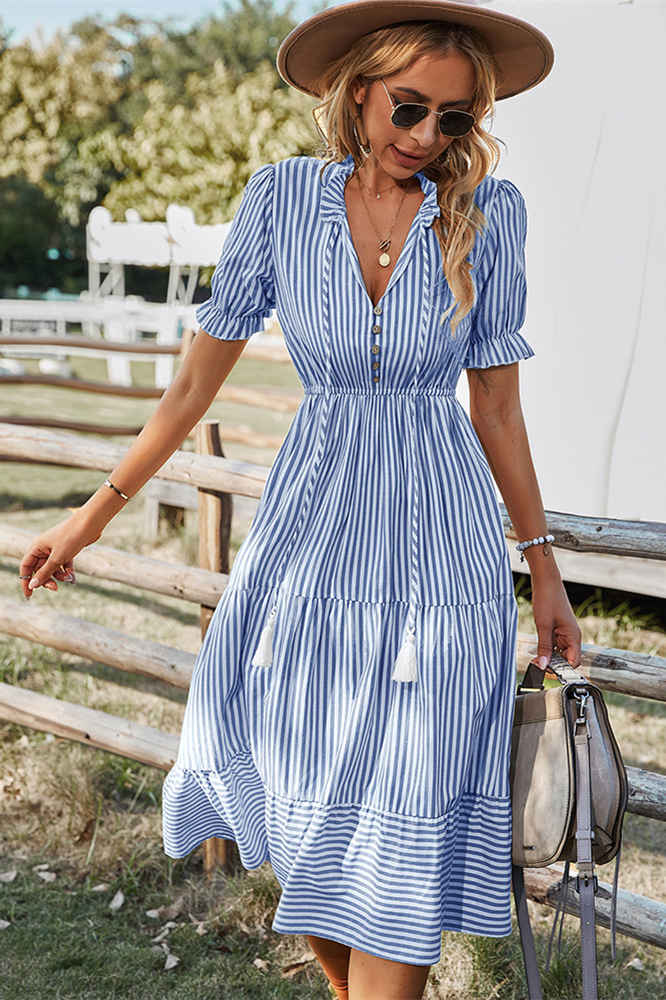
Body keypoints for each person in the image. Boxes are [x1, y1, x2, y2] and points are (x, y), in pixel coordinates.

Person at [19, 1, 583, 997]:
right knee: (292, 798)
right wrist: (90, 515)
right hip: (307, 544)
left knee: (407, 811)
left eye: (453, 120)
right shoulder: (279, 201)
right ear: (358, 90)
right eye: (408, 107)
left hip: (438, 553)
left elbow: (497, 406)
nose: (425, 137)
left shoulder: (490, 218)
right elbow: (191, 388)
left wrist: (543, 568)